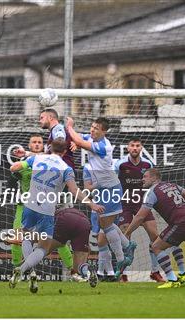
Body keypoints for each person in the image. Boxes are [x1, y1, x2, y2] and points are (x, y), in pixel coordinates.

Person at [8, 138, 103, 293]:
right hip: (47, 211)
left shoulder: (37, 158)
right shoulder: (66, 168)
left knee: (25, 237)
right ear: (65, 152)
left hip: (30, 206)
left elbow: (15, 167)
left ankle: (28, 271)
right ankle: (23, 268)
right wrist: (92, 204)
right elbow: (74, 191)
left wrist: (21, 161)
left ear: (49, 147)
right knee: (43, 248)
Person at [66, 117, 135, 278]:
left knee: (106, 225)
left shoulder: (104, 146)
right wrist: (76, 141)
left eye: (96, 128)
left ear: (104, 131)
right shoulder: (91, 137)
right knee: (106, 224)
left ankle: (122, 256)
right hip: (105, 188)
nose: (92, 130)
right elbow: (79, 138)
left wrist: (70, 126)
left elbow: (77, 139)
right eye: (91, 126)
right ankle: (127, 246)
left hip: (110, 188)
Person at [124, 168, 185, 289]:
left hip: (182, 222)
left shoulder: (152, 192)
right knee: (172, 243)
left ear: (154, 178)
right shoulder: (172, 185)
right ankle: (183, 274)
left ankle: (172, 279)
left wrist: (128, 232)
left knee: (156, 246)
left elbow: (140, 216)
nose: (142, 179)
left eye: (145, 176)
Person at [6, 134, 75, 279]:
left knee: (59, 241)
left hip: (48, 206)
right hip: (26, 205)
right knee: (18, 237)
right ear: (29, 146)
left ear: (45, 146)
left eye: (39, 142)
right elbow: (11, 181)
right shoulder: (29, 161)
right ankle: (19, 268)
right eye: (34, 142)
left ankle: (73, 271)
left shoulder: (41, 160)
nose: (37, 144)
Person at [114, 137, 166, 283]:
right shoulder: (120, 164)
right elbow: (112, 181)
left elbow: (154, 183)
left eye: (137, 145)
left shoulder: (147, 164)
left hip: (142, 205)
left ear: (141, 148)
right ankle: (123, 274)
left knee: (155, 237)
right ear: (128, 148)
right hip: (125, 204)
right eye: (132, 145)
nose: (135, 148)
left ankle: (155, 271)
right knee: (125, 238)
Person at [50, 207, 98, 288]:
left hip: (64, 218)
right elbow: (88, 248)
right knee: (77, 269)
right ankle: (87, 273)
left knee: (45, 248)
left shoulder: (47, 216)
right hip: (83, 221)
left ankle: (26, 267)